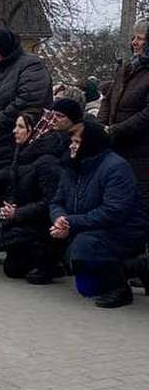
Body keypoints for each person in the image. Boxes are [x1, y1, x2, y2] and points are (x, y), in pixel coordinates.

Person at [50, 121, 149, 308]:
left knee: (84, 247)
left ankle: (121, 288)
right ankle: (134, 268)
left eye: (77, 142)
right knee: (87, 288)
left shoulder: (115, 167)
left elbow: (113, 212)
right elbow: (57, 201)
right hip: (88, 228)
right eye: (72, 141)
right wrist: (59, 219)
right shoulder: (72, 167)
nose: (71, 145)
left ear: (90, 144)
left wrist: (70, 222)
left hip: (125, 229)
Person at [0, 29, 52, 224]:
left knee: (12, 182)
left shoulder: (31, 65)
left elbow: (29, 99)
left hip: (18, 136)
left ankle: (11, 227)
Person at [0, 111, 65, 284]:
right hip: (23, 219)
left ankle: (51, 261)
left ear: (35, 130)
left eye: (21, 127)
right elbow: (13, 187)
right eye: (16, 126)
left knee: (19, 270)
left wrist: (18, 212)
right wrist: (8, 206)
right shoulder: (21, 153)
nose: (15, 131)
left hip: (41, 226)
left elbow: (50, 202)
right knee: (12, 267)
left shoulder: (47, 161)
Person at [98, 19, 149, 204]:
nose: (134, 42)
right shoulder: (126, 68)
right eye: (134, 37)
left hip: (140, 154)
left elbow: (146, 115)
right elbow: (108, 100)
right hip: (116, 148)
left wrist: (116, 130)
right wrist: (100, 127)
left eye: (141, 38)